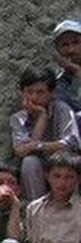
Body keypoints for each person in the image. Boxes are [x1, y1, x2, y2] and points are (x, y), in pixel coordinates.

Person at [9, 67, 79, 200]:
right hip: (40, 166)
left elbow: (71, 144)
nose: (34, 97)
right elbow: (21, 151)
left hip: (63, 162)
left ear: (51, 93)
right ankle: (36, 207)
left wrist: (38, 146)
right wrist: (42, 117)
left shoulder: (61, 109)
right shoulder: (18, 118)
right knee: (29, 162)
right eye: (29, 92)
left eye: (40, 92)